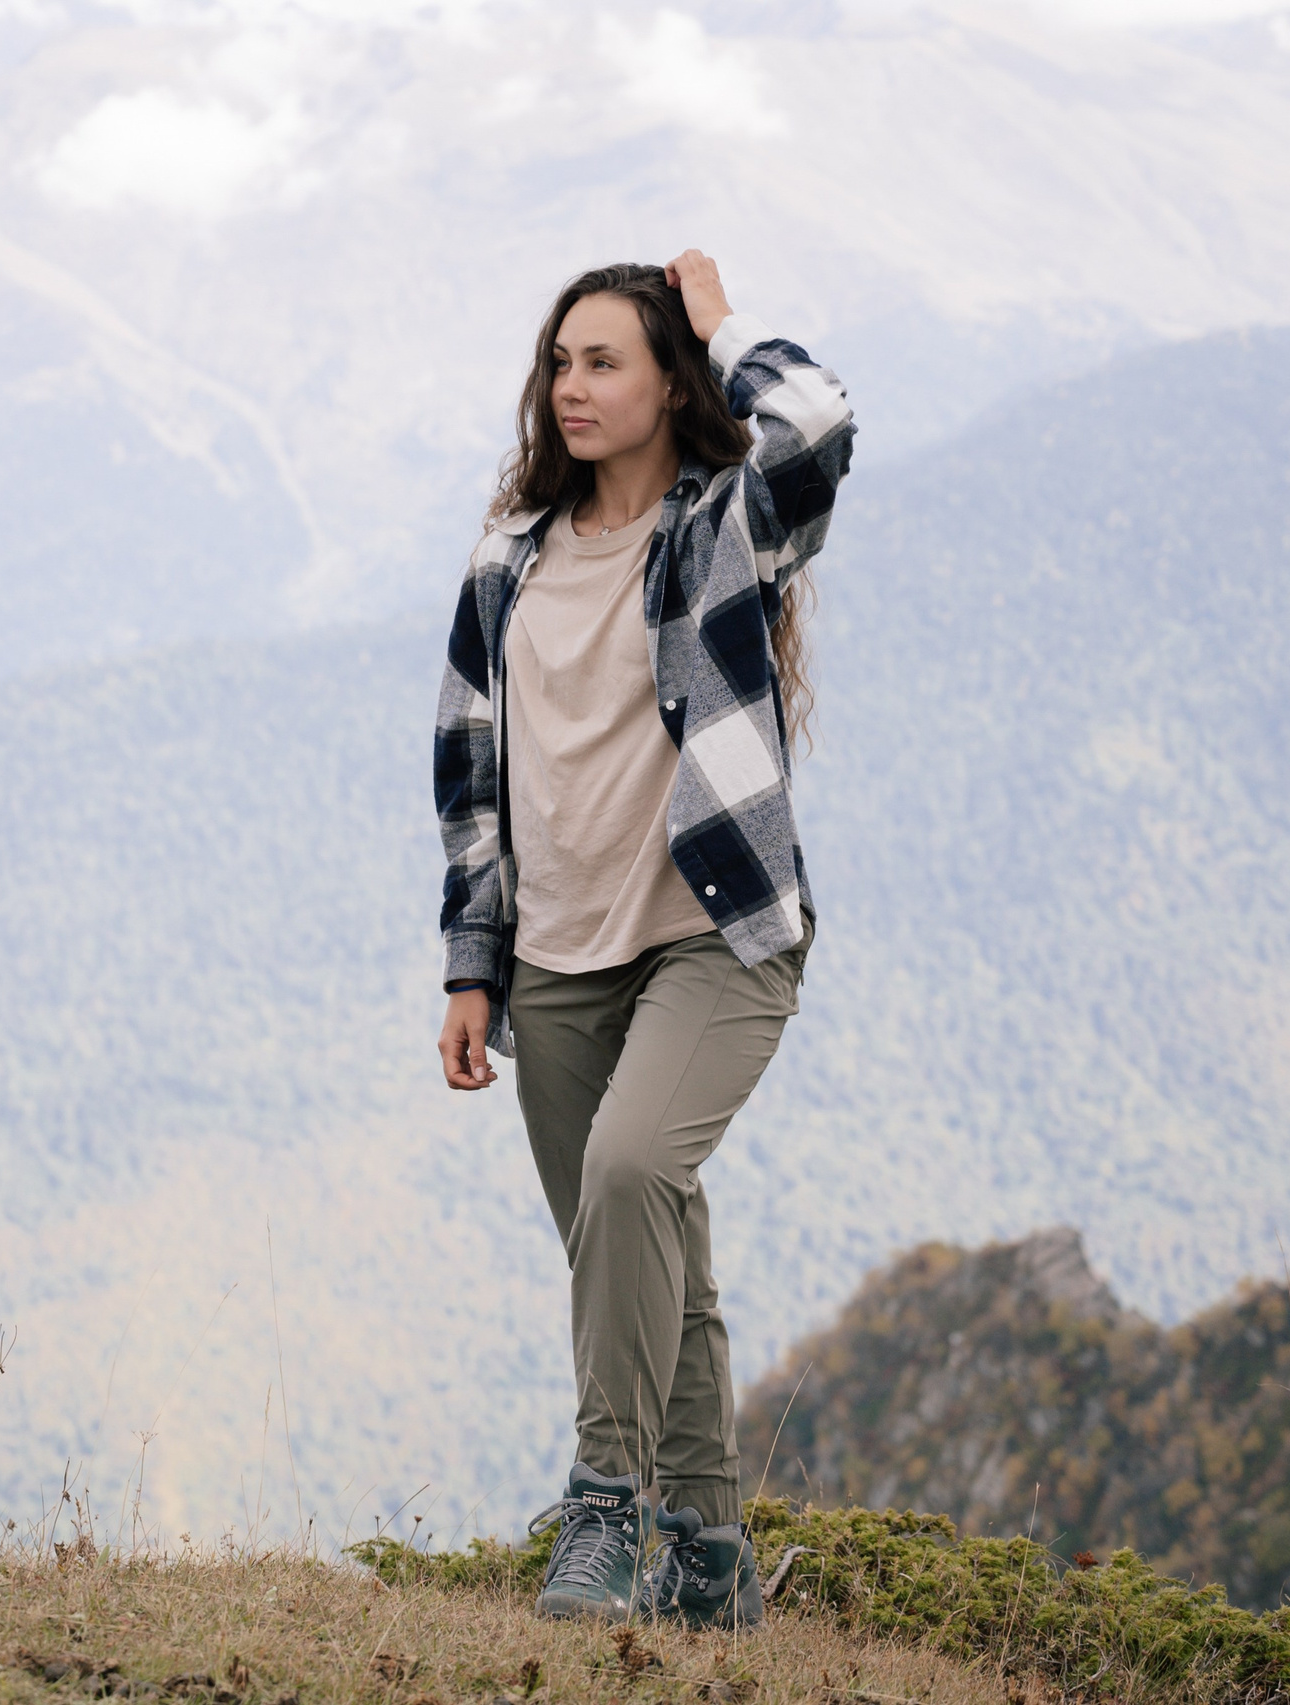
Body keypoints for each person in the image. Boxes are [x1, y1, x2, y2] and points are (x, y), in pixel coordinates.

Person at [432, 252, 853, 1627]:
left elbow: (816, 421)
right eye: (560, 362)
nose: (571, 387)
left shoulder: (722, 524)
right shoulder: (508, 559)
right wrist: (473, 963)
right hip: (555, 958)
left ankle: (604, 1509)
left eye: (605, 361)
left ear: (674, 381)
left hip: (714, 940)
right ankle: (713, 1559)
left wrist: (717, 312)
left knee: (628, 1174)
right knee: (637, 1240)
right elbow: (468, 767)